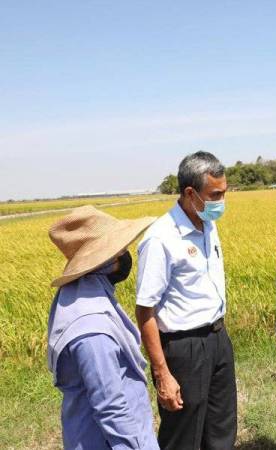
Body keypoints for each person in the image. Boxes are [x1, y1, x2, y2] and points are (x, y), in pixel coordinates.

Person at [135, 151, 236, 450]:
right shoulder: (160, 239)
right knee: (184, 435)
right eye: (215, 195)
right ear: (190, 193)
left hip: (218, 338)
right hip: (183, 348)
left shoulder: (208, 224)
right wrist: (162, 372)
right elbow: (145, 311)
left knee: (220, 428)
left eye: (224, 193)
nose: (221, 202)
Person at [47, 205, 158, 450]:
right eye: (119, 251)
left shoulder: (78, 298)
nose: (125, 255)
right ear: (103, 262)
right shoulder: (92, 328)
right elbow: (111, 407)